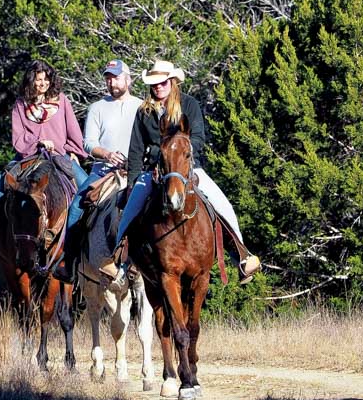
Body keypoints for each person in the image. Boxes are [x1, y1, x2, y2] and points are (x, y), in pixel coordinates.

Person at [99, 60, 261, 285]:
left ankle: (241, 256)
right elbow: (135, 150)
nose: (158, 87)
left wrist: (181, 152)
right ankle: (120, 261)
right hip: (154, 170)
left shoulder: (189, 104)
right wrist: (132, 184)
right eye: (154, 84)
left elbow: (198, 137)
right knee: (130, 209)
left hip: (188, 167)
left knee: (222, 205)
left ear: (172, 82)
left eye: (162, 82)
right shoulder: (144, 111)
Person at [0, 59, 88, 250]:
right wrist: (36, 143)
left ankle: (85, 237)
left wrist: (73, 152)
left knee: (88, 187)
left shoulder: (61, 100)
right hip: (28, 156)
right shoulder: (21, 105)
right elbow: (18, 138)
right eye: (39, 79)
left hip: (58, 156)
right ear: (31, 80)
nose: (43, 83)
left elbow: (74, 131)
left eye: (46, 79)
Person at [53, 59, 143, 283]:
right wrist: (107, 154)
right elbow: (88, 143)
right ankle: (69, 262)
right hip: (104, 171)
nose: (112, 82)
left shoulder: (142, 106)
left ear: (128, 79)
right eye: (108, 78)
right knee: (76, 206)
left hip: (136, 172)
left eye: (116, 77)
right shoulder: (97, 108)